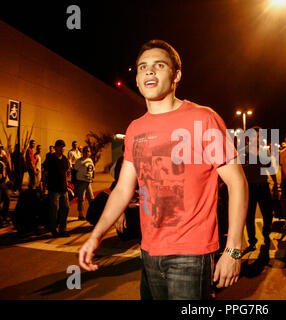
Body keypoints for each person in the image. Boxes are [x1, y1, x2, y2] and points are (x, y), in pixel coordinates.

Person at [79, 39, 248, 300]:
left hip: (191, 255)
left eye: (159, 65)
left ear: (176, 75)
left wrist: (233, 250)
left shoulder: (203, 118)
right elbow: (123, 189)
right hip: (148, 252)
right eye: (143, 67)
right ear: (136, 79)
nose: (149, 71)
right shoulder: (135, 129)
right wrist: (96, 235)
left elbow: (237, 182)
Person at [242, 126, 277, 255]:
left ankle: (266, 235)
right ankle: (252, 241)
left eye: (258, 136)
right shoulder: (242, 152)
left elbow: (270, 169)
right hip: (249, 187)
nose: (256, 139)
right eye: (253, 136)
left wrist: (276, 184)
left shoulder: (264, 152)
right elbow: (237, 171)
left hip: (263, 186)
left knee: (268, 214)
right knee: (249, 216)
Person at [42, 139, 71, 238]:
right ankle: (53, 229)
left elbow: (66, 173)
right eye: (60, 147)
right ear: (55, 148)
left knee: (65, 208)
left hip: (64, 189)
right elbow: (45, 173)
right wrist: (44, 186)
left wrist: (68, 186)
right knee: (54, 210)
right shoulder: (50, 158)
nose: (62, 149)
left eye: (63, 147)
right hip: (53, 189)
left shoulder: (65, 159)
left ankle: (63, 229)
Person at [74, 146, 95, 221]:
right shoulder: (79, 161)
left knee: (91, 198)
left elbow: (92, 169)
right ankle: (80, 214)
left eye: (88, 151)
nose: (87, 153)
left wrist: (92, 177)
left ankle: (93, 214)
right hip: (81, 182)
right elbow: (75, 169)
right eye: (85, 151)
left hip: (88, 182)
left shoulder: (90, 160)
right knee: (81, 199)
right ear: (83, 152)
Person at [0, 151, 10, 227]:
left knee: (7, 199)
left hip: (3, 183)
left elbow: (6, 168)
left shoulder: (2, 159)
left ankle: (4, 217)